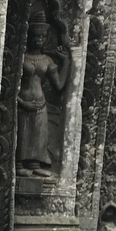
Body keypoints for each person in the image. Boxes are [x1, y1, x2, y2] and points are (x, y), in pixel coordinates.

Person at [16, 11, 70, 176]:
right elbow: (9, 86)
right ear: (28, 37)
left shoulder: (47, 60)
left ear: (46, 38)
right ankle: (19, 164)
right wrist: (21, 102)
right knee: (22, 134)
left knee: (39, 135)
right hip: (22, 102)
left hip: (40, 104)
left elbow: (59, 85)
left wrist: (66, 62)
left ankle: (35, 164)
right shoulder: (21, 58)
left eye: (42, 36)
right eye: (35, 36)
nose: (38, 40)